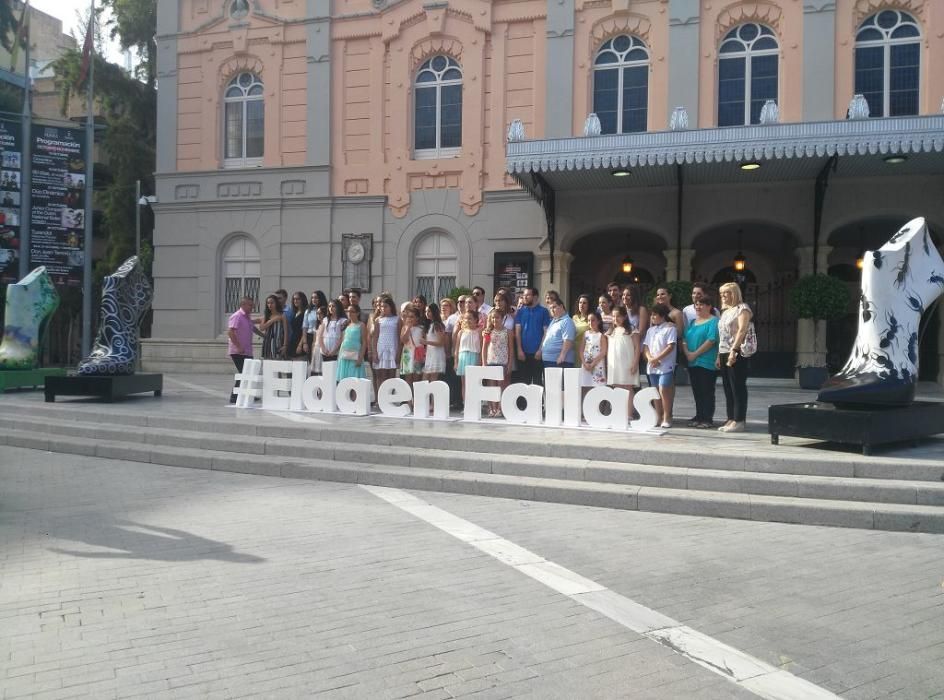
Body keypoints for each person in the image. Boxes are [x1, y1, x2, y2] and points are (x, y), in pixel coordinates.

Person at [717, 282, 753, 433]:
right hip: (724, 351)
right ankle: (731, 418)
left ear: (734, 294)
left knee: (737, 386)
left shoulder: (742, 309)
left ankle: (739, 420)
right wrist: (719, 355)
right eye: (722, 293)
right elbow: (722, 335)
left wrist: (734, 350)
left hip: (736, 351)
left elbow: (742, 330)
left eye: (726, 293)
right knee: (727, 387)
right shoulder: (725, 312)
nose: (723, 296)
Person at [682, 295, 720, 428]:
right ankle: (699, 416)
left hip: (706, 362)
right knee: (697, 391)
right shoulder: (693, 322)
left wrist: (695, 354)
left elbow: (711, 340)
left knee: (707, 391)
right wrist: (687, 353)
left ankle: (707, 419)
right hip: (692, 362)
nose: (698, 307)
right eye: (696, 305)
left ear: (709, 307)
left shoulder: (714, 321)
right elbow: (685, 338)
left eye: (701, 304)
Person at [643, 303, 678, 428]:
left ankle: (667, 416)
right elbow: (646, 346)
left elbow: (671, 346)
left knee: (664, 389)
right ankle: (658, 416)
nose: (652, 317)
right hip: (652, 365)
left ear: (662, 316)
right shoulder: (650, 330)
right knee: (655, 391)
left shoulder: (670, 328)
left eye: (654, 315)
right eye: (651, 315)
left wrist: (657, 358)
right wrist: (650, 358)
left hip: (666, 364)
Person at [606, 305, 638, 412]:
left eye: (618, 316)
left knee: (628, 387)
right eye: (613, 317)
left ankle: (629, 413)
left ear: (624, 316)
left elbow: (637, 347)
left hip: (627, 363)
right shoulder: (611, 331)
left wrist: (634, 363)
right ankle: (619, 413)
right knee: (617, 387)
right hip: (614, 364)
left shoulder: (631, 329)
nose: (616, 319)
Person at [515, 287, 550, 386]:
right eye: (524, 295)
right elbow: (517, 332)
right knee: (523, 382)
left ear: (535, 297)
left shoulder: (543, 311)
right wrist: (519, 350)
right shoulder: (521, 311)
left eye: (527, 295)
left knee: (537, 382)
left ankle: (538, 402)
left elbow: (546, 332)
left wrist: (540, 350)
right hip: (523, 353)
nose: (524, 297)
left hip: (537, 354)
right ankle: (524, 402)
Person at [226, 296, 257, 404]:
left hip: (247, 351)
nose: (252, 307)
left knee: (250, 372)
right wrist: (238, 346)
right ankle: (234, 397)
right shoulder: (237, 316)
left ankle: (249, 393)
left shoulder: (247, 317)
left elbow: (253, 328)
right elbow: (230, 332)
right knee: (243, 373)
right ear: (243, 305)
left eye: (252, 305)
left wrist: (263, 335)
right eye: (250, 305)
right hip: (238, 351)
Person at [482, 308, 512, 417]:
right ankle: (492, 409)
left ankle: (500, 408)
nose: (495, 320)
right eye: (493, 318)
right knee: (491, 387)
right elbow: (484, 348)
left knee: (501, 386)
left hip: (502, 362)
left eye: (497, 317)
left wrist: (509, 364)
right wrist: (484, 363)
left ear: (502, 318)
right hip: (491, 361)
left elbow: (510, 348)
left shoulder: (507, 331)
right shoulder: (488, 332)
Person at [371, 295, 400, 396]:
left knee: (391, 375)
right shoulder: (378, 320)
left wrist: (398, 353)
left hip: (392, 348)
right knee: (380, 375)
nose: (383, 308)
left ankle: (390, 397)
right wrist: (374, 352)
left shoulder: (397, 319)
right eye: (382, 306)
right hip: (381, 349)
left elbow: (399, 337)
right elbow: (375, 337)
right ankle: (381, 397)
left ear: (391, 307)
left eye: (386, 306)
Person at [537, 298, 576, 369]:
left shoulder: (567, 321)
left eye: (554, 307)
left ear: (561, 306)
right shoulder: (554, 321)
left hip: (560, 361)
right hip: (549, 361)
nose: (552, 310)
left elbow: (568, 340)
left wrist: (562, 356)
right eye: (550, 308)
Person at [454, 309, 483, 405]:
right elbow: (457, 349)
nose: (467, 320)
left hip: (474, 356)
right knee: (464, 383)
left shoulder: (479, 332)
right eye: (465, 318)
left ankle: (475, 404)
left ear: (476, 320)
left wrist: (480, 360)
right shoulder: (461, 332)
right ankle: (466, 404)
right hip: (463, 357)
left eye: (470, 318)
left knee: (475, 383)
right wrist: (456, 362)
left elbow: (482, 347)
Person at [336, 304, 368, 380]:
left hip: (355, 355)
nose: (349, 313)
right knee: (344, 379)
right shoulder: (346, 324)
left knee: (354, 379)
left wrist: (360, 357)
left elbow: (364, 342)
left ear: (357, 313)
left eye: (352, 311)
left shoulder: (361, 325)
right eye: (348, 311)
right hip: (344, 354)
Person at [580, 310, 607, 389]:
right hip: (586, 364)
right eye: (588, 320)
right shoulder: (586, 334)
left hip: (597, 365)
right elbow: (581, 350)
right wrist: (584, 363)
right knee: (585, 386)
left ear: (598, 321)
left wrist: (593, 364)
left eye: (593, 320)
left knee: (597, 387)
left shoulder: (601, 335)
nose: (590, 322)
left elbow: (603, 352)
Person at [399, 305, 425, 385]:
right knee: (408, 378)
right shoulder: (405, 328)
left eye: (412, 317)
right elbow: (403, 340)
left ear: (417, 318)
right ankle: (409, 397)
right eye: (408, 317)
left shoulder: (421, 328)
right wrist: (408, 328)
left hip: (418, 354)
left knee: (417, 378)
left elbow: (425, 341)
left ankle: (416, 396)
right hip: (408, 354)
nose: (409, 319)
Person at [259, 294, 289, 360]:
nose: (270, 305)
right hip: (267, 343)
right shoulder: (266, 315)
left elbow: (286, 332)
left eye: (272, 303)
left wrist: (285, 345)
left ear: (276, 303)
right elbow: (261, 328)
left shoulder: (282, 315)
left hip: (278, 343)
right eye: (268, 303)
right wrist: (272, 320)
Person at [422, 303, 447, 382]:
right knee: (426, 378)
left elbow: (441, 343)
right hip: (430, 354)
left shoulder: (437, 325)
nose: (427, 313)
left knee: (433, 378)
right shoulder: (430, 325)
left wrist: (426, 342)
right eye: (426, 311)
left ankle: (433, 394)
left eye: (429, 311)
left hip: (436, 354)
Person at [320, 299, 347, 363]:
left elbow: (342, 337)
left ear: (338, 307)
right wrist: (323, 348)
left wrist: (334, 350)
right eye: (329, 306)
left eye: (333, 306)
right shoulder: (325, 319)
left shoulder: (343, 320)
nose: (331, 308)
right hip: (325, 351)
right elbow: (320, 336)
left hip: (336, 351)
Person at [288, 291, 308, 359]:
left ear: (302, 300)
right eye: (294, 299)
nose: (295, 301)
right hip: (293, 341)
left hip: (301, 341)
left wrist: (300, 344)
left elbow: (305, 330)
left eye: (298, 299)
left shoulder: (306, 312)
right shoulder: (294, 313)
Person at [572, 294, 592, 358]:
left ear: (589, 305)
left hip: (586, 350)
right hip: (573, 349)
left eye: (584, 303)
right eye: (580, 302)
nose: (581, 305)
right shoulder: (574, 317)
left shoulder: (591, 319)